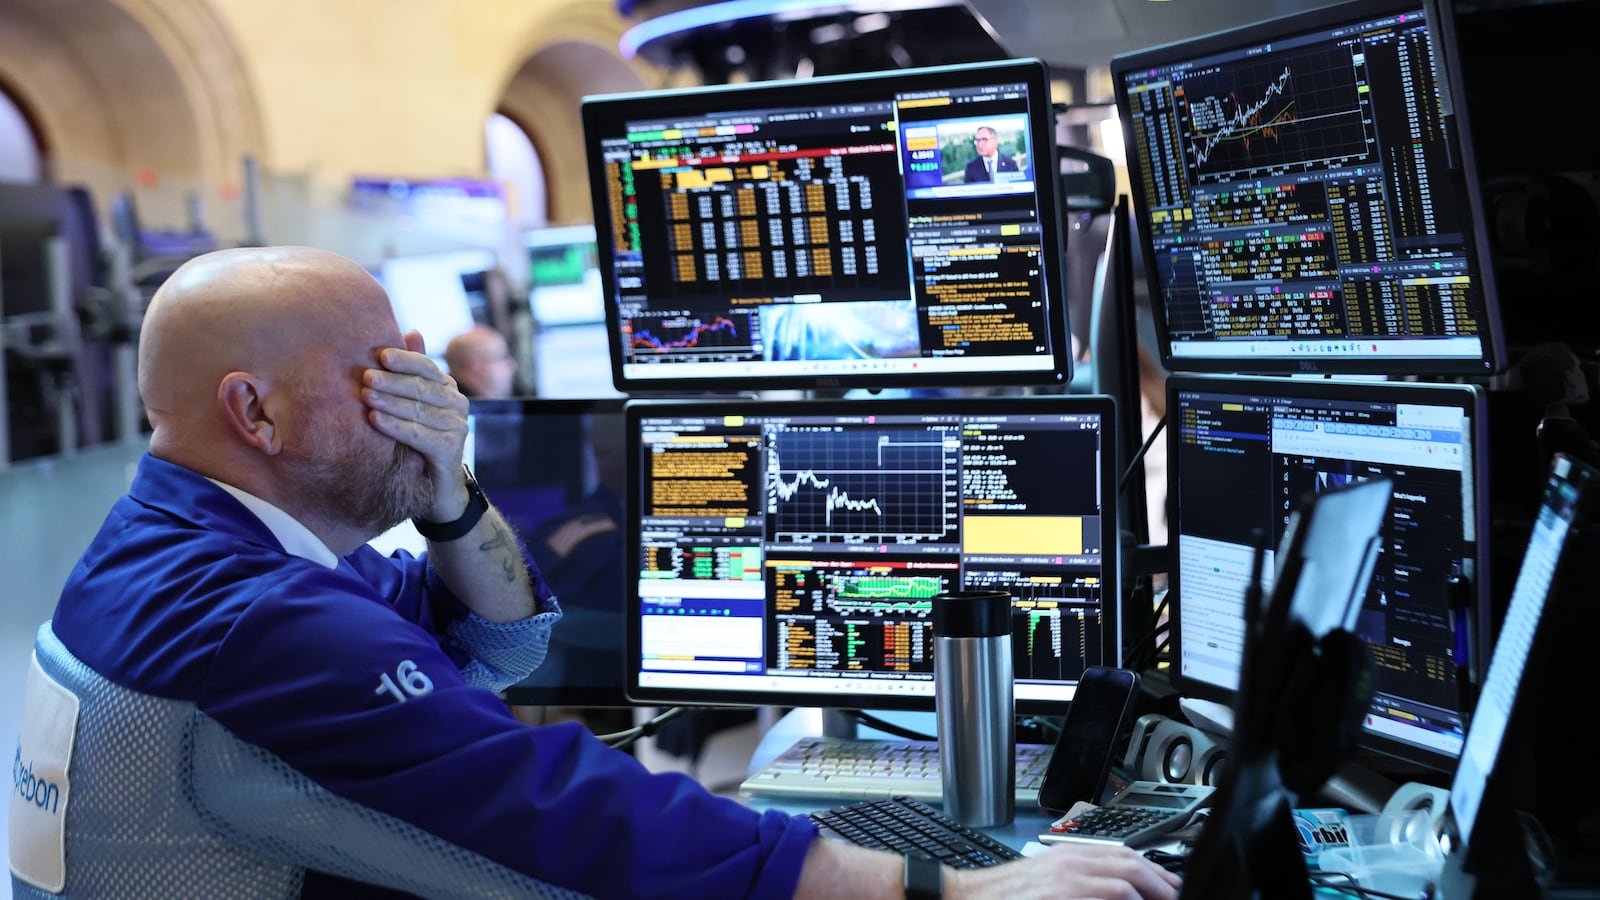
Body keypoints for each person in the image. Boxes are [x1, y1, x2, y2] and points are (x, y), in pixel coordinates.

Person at [45, 245, 1181, 899]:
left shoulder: (173, 544)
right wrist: (952, 892)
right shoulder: (251, 618)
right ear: (256, 411)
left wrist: (444, 482)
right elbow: (568, 808)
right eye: (383, 375)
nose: (426, 397)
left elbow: (500, 640)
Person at [1518, 340, 1600, 471]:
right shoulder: (1573, 433)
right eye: (1578, 368)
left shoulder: (1545, 427)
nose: (1582, 374)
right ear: (1569, 378)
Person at [443, 323, 518, 398]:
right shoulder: (465, 407)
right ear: (477, 366)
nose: (513, 365)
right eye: (503, 357)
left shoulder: (447, 400)